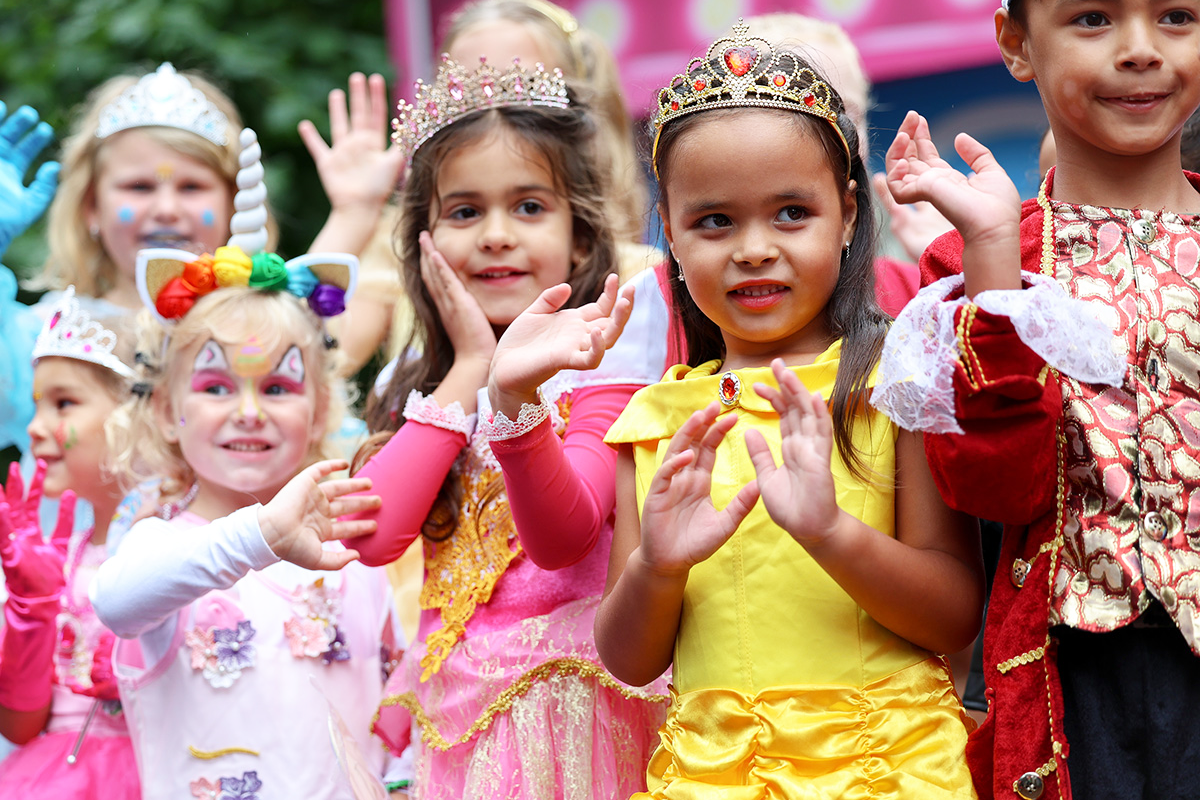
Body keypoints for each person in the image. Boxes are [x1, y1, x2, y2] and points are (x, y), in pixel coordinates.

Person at [596, 22, 984, 797]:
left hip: (889, 763)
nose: (753, 249)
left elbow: (954, 617)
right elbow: (629, 658)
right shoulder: (657, 418)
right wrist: (658, 566)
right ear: (668, 231)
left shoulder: (894, 382)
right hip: (714, 773)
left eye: (789, 214)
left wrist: (831, 532)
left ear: (846, 215)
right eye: (715, 221)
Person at [874, 0, 1200, 797]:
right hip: (1075, 687)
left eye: (1176, 17)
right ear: (1017, 43)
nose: (1138, 51)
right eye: (1092, 18)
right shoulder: (989, 257)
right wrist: (991, 267)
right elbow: (996, 489)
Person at [343, 54, 670, 798]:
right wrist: (469, 366)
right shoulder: (425, 386)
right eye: (464, 212)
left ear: (580, 239)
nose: (496, 235)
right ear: (424, 244)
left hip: (580, 721)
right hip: (457, 728)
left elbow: (565, 540)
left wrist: (515, 394)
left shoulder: (608, 364)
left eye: (529, 207)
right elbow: (372, 534)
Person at [88, 141, 407, 796]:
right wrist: (261, 535)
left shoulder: (353, 554)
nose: (248, 411)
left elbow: (397, 711)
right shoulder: (158, 545)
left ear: (319, 411)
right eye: (215, 386)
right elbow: (115, 604)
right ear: (167, 411)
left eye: (279, 389)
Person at [307, 0, 658, 377]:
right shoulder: (410, 264)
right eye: (470, 93)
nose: (496, 119)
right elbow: (304, 362)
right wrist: (352, 214)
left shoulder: (642, 279)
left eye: (520, 89)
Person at [0, 290, 139, 799]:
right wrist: (29, 611)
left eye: (64, 403)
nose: (34, 429)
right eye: (38, 405)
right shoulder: (60, 558)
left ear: (138, 412)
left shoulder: (183, 546)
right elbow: (20, 728)